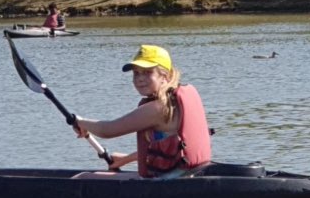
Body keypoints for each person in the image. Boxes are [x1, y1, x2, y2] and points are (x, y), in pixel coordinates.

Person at [72, 44, 212, 178]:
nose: (140, 79)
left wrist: (79, 121)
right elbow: (170, 148)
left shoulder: (158, 109)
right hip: (188, 175)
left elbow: (107, 130)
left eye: (147, 72)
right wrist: (126, 159)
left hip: (168, 182)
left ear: (166, 76)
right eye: (136, 73)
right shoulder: (175, 102)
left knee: (82, 178)